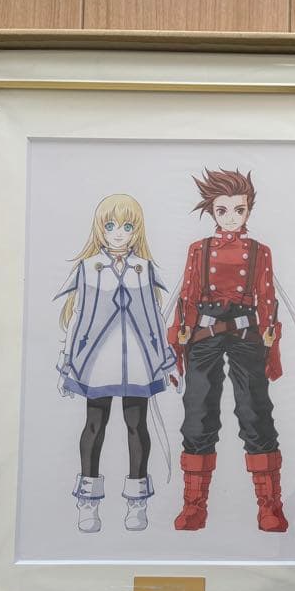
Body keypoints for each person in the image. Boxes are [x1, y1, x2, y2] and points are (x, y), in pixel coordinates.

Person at [167, 168, 289, 533]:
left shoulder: (260, 252)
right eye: (223, 210)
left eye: (239, 209)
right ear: (212, 211)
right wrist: (177, 345)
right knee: (198, 411)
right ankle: (194, 505)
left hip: (246, 332)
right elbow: (187, 297)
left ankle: (270, 505)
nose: (232, 217)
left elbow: (267, 299)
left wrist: (271, 343)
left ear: (249, 209)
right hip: (203, 333)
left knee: (255, 410)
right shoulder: (198, 249)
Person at [56, 193, 176, 532]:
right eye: (110, 226)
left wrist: (167, 361)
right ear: (100, 229)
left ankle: (137, 502)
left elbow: (154, 317)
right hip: (97, 360)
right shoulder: (88, 267)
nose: (119, 234)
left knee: (137, 425)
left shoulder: (144, 269)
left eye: (127, 226)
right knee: (95, 424)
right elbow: (78, 316)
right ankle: (88, 502)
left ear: (137, 230)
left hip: (138, 359)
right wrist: (67, 362)